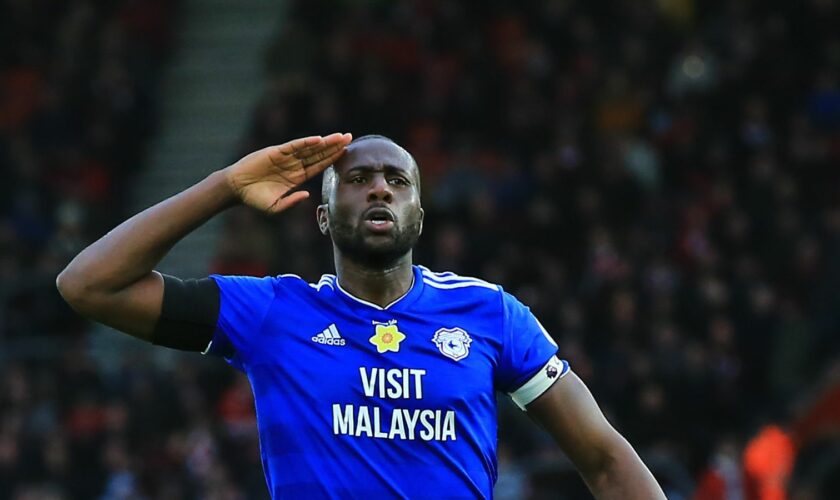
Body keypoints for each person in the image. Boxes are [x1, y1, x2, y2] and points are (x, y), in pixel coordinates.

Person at [57, 133, 665, 498]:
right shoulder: (273, 312)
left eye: (397, 180)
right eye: (357, 178)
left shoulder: (491, 315)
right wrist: (224, 185)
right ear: (323, 217)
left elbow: (606, 459)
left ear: (419, 218)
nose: (379, 189)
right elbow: (89, 285)